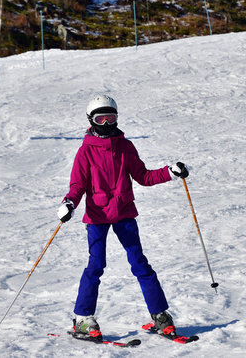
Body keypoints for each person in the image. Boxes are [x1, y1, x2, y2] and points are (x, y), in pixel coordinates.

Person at [58, 94, 189, 342]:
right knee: (96, 266)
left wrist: (170, 173)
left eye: (111, 118)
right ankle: (83, 319)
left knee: (140, 264)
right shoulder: (85, 152)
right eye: (101, 119)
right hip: (97, 217)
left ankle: (161, 316)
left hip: (125, 214)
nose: (107, 124)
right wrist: (69, 203)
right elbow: (77, 186)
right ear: (91, 120)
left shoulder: (125, 147)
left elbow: (143, 177)